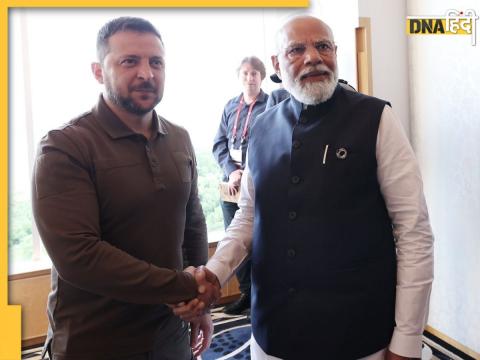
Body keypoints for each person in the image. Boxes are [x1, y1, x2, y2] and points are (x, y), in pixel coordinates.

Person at [175, 15, 434, 360]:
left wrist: (407, 339)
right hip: (274, 329)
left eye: (323, 46)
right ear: (276, 64)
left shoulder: (376, 119)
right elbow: (249, 215)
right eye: (296, 49)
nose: (313, 56)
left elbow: (413, 232)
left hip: (358, 330)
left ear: (335, 53)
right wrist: (214, 272)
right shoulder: (263, 126)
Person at [32, 17, 219, 360]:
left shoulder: (180, 137)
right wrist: (185, 287)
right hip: (95, 341)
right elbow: (79, 255)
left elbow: (191, 222)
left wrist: (199, 305)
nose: (147, 73)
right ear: (98, 71)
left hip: (169, 335)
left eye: (156, 62)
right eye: (130, 61)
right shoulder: (64, 146)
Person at [212, 56, 269, 315]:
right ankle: (246, 293)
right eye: (246, 73)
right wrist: (232, 171)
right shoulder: (230, 107)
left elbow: (272, 143)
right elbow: (219, 145)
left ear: (262, 76)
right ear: (239, 77)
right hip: (231, 185)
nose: (250, 77)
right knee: (233, 237)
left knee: (259, 240)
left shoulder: (271, 106)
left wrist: (246, 173)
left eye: (255, 73)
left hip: (257, 183)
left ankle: (263, 294)